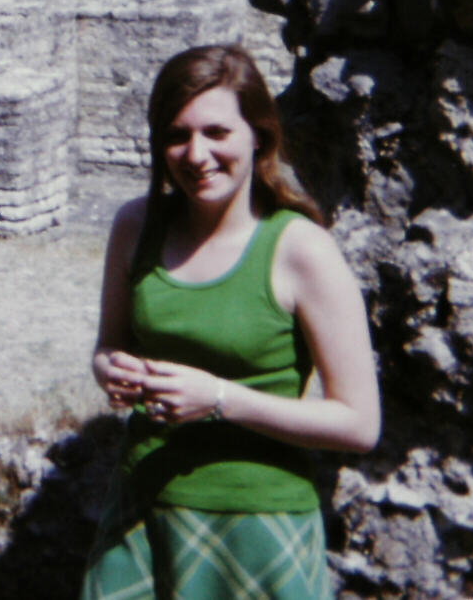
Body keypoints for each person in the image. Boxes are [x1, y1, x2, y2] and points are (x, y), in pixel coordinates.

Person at [80, 44, 379, 600]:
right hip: (143, 510)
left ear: (258, 136)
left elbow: (359, 425)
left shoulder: (301, 250)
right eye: (176, 135)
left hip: (257, 526)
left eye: (217, 132)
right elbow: (107, 348)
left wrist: (219, 399)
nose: (196, 154)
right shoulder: (135, 226)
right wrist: (110, 370)